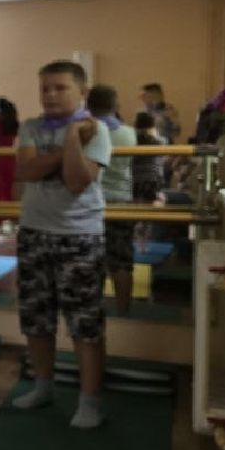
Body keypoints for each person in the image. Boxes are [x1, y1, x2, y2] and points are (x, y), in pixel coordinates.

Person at [13, 61, 111, 427]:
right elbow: (26, 171)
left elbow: (76, 180)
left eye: (60, 88)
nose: (50, 95)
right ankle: (43, 386)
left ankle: (90, 401)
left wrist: (71, 137)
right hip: (34, 232)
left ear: (81, 92)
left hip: (80, 236)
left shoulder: (96, 130)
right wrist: (64, 151)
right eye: (45, 88)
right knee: (36, 317)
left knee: (85, 323)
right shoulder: (30, 127)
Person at [87, 85, 136, 316]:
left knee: (91, 259)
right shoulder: (128, 133)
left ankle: (92, 310)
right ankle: (124, 312)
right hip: (122, 200)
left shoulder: (87, 131)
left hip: (92, 200)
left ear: (89, 106)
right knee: (122, 260)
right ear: (116, 105)